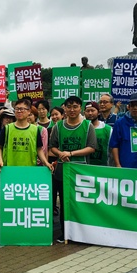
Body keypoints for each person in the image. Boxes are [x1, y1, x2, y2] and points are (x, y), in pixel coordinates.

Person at [49, 96, 97, 242]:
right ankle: (65, 234)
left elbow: (92, 147)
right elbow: (53, 147)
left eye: (75, 106)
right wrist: (60, 154)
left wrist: (71, 153)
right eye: (68, 106)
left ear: (80, 108)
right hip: (63, 171)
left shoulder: (87, 126)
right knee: (65, 204)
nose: (72, 109)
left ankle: (82, 235)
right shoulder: (58, 126)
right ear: (64, 108)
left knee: (81, 204)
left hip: (81, 171)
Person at [0, 98, 53, 170]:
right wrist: (0, 160)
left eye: (22, 109)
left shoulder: (35, 130)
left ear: (29, 111)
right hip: (9, 170)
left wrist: (46, 162)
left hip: (30, 170)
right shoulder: (7, 128)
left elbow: (39, 150)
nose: (19, 111)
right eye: (17, 109)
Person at [83, 101, 111, 166]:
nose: (90, 113)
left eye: (92, 110)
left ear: (98, 112)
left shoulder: (108, 129)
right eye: (88, 111)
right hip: (84, 168)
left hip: (102, 168)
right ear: (84, 112)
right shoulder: (81, 128)